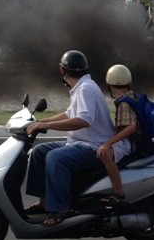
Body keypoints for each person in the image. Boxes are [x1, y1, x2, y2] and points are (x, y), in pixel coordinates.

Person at [25, 50, 127, 227]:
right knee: (39, 152)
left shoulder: (85, 89)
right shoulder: (81, 86)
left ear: (61, 69)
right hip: (80, 143)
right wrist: (39, 122)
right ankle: (45, 201)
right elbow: (69, 114)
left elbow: (83, 120)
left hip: (94, 146)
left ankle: (60, 208)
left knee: (55, 158)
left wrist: (46, 126)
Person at [96, 64, 139, 206]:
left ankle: (118, 193)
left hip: (128, 143)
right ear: (129, 83)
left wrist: (108, 144)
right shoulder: (131, 97)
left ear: (109, 84)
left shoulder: (123, 103)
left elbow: (130, 128)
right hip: (131, 141)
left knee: (106, 155)